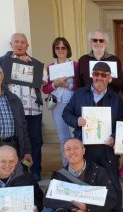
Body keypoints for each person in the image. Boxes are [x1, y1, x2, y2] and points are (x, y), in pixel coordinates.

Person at [63, 61, 123, 212]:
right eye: (96, 74)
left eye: (103, 75)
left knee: (111, 181)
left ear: (109, 78)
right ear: (92, 76)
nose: (99, 78)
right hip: (84, 147)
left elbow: (121, 123)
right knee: (85, 181)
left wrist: (115, 137)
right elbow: (66, 113)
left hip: (106, 148)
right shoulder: (79, 94)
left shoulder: (115, 98)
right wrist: (76, 120)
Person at [0, 33, 45, 181]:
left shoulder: (35, 63)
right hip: (12, 110)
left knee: (35, 140)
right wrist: (17, 63)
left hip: (33, 110)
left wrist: (27, 65)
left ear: (27, 46)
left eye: (22, 42)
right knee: (17, 141)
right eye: (16, 42)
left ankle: (35, 170)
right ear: (11, 44)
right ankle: (20, 171)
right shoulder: (3, 61)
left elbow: (42, 81)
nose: (19, 45)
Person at [43, 37, 78, 167]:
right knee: (63, 137)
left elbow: (80, 86)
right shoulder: (50, 67)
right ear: (54, 50)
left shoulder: (75, 65)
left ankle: (77, 163)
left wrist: (66, 85)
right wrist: (55, 85)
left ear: (67, 49)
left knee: (75, 135)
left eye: (63, 47)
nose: (60, 50)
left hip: (72, 104)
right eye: (57, 47)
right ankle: (66, 165)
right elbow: (45, 89)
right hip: (57, 105)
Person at [76, 29, 123, 95]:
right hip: (88, 101)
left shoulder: (115, 60)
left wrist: (111, 80)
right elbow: (78, 84)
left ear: (106, 43)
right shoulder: (83, 60)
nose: (98, 43)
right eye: (95, 40)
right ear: (90, 42)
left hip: (110, 100)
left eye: (101, 40)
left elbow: (122, 84)